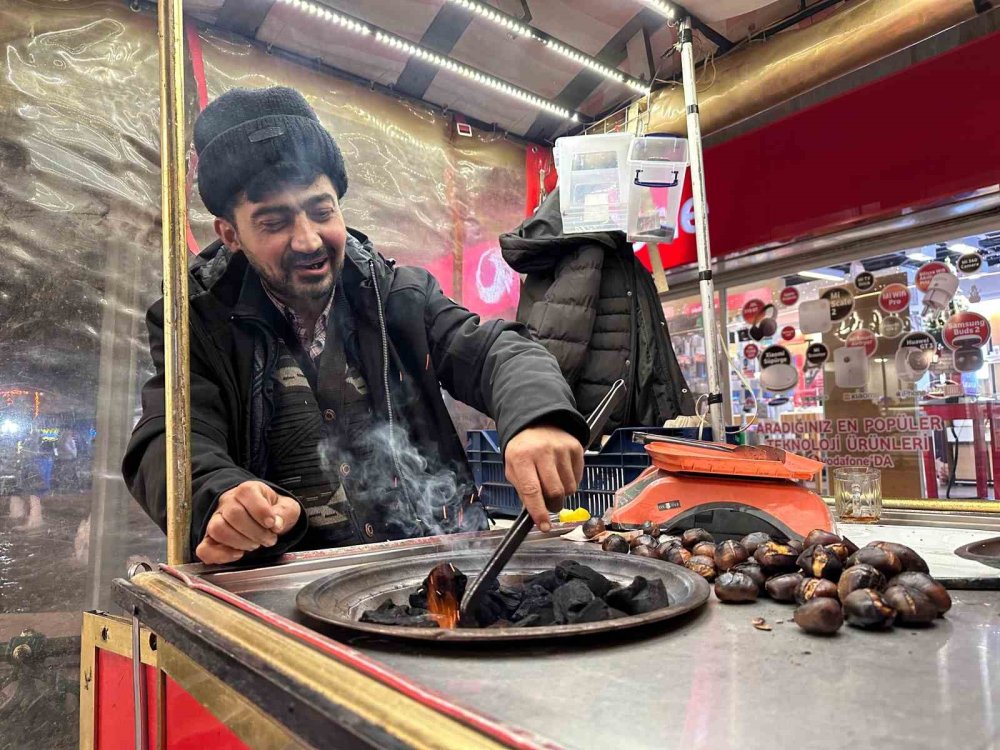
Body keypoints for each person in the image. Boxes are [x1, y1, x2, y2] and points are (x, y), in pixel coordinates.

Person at [123, 86, 589, 565]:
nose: (308, 240)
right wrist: (220, 494)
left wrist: (538, 416)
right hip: (288, 591)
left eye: (322, 211)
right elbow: (168, 437)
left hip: (431, 571)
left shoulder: (396, 294)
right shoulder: (197, 318)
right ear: (230, 235)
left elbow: (497, 350)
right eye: (273, 222)